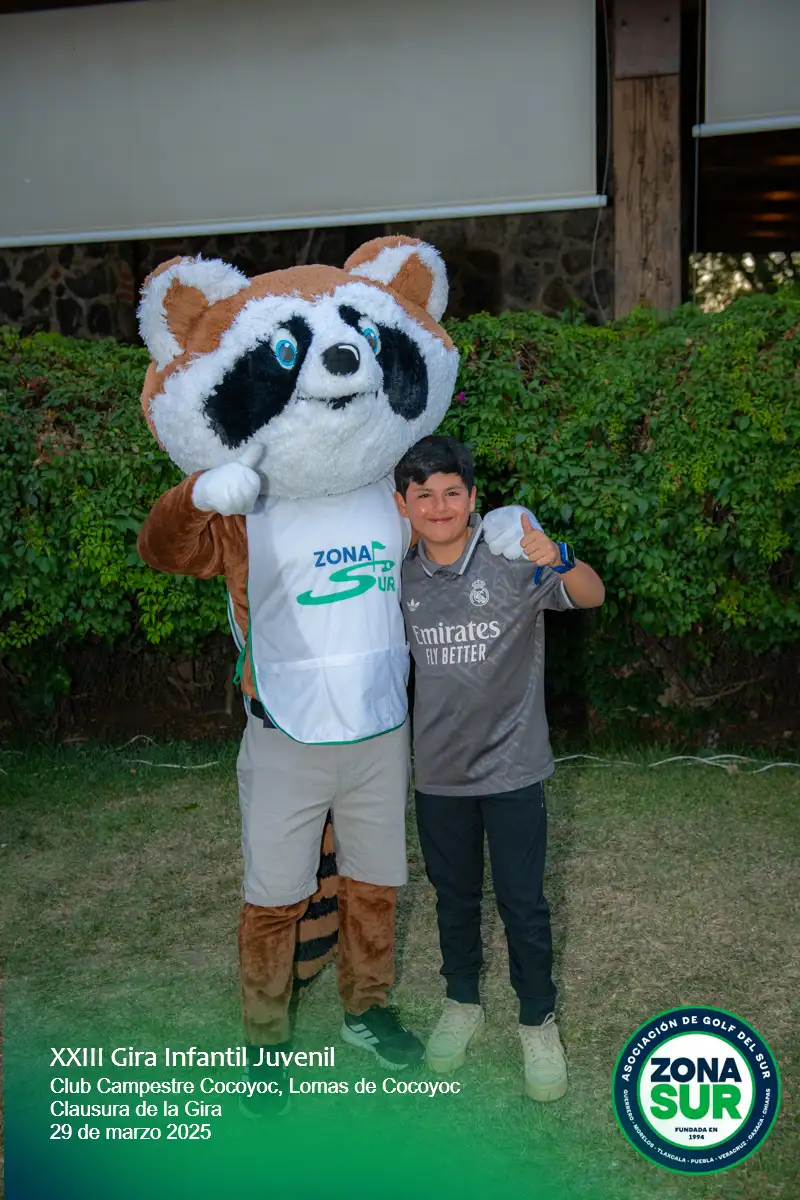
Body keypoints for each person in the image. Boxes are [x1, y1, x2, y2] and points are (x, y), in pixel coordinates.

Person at [394, 435, 605, 1101]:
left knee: (522, 902)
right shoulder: (397, 576)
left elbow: (592, 595)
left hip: (514, 769)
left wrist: (561, 556)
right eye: (424, 495)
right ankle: (462, 1001)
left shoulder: (512, 559)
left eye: (452, 492)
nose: (439, 506)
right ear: (403, 505)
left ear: (473, 498)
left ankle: (537, 1020)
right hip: (439, 775)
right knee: (453, 899)